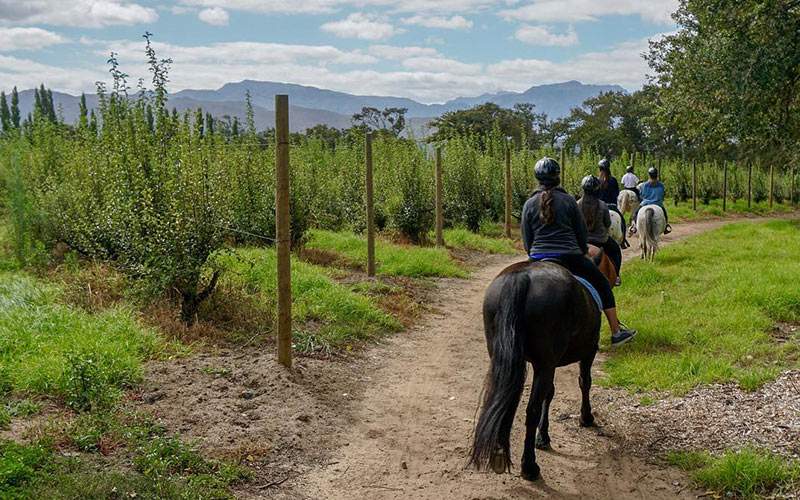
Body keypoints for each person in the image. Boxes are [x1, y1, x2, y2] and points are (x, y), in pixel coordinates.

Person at [522, 157, 637, 347]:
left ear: (537, 179)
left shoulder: (529, 204)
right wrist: (582, 251)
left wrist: (534, 255)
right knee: (602, 283)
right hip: (570, 257)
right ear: (558, 177)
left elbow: (527, 241)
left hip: (537, 258)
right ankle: (616, 332)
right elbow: (581, 234)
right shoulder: (569, 201)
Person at [578, 175, 623, 286]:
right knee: (616, 251)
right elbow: (607, 224)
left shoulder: (577, 204)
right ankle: (616, 276)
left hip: (582, 241)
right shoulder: (602, 205)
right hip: (601, 240)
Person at [629, 167, 672, 235]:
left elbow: (642, 195)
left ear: (649, 175)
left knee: (635, 213)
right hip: (658, 203)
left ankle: (633, 226)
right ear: (656, 175)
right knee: (665, 215)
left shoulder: (645, 185)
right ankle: (666, 226)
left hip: (645, 203)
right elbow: (662, 194)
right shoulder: (661, 185)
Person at [598, 158, 628, 245]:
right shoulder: (613, 180)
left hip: (600, 206)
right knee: (622, 221)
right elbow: (616, 193)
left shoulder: (597, 181)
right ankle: (623, 240)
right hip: (612, 206)